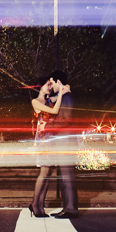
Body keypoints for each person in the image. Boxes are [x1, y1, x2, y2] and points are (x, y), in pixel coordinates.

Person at [28, 73, 70, 217]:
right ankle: (35, 204)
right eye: (48, 84)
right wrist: (60, 96)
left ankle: (40, 205)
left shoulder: (48, 100)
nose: (51, 87)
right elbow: (55, 111)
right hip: (43, 139)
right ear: (40, 86)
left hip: (50, 138)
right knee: (44, 172)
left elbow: (60, 97)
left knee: (48, 172)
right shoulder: (36, 101)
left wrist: (65, 90)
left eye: (51, 84)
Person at [46, 69, 79, 219]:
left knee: (67, 176)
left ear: (59, 82)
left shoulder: (67, 97)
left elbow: (66, 120)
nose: (51, 86)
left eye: (52, 83)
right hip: (63, 141)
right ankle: (68, 207)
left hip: (66, 142)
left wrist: (47, 128)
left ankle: (71, 209)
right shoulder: (63, 96)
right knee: (65, 176)